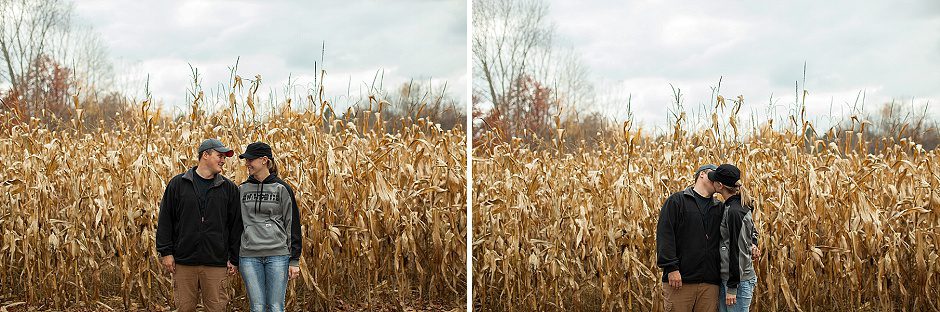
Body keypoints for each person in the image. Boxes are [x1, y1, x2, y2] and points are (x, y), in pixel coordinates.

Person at [156, 138, 241, 312]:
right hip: (184, 262)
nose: (223, 160)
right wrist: (166, 252)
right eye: (220, 156)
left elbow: (235, 226)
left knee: (216, 309)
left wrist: (234, 258)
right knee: (185, 308)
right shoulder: (178, 184)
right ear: (205, 155)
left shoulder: (229, 189)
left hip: (216, 263)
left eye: (224, 157)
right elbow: (166, 219)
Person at [234, 142, 302, 312]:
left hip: (277, 255)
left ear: (264, 160)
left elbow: (292, 224)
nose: (247, 164)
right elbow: (235, 225)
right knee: (257, 307)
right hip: (249, 256)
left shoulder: (282, 188)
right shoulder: (242, 189)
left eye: (250, 160)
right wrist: (233, 257)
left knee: (276, 306)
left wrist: (294, 260)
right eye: (246, 160)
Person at [656, 164, 724, 312]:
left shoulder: (720, 207)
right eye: (713, 175)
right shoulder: (677, 201)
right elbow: (665, 235)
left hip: (710, 283)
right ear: (701, 175)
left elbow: (739, 225)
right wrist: (672, 268)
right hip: (680, 281)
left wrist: (752, 242)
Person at [711, 164, 760, 311]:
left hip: (738, 281)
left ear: (720, 185)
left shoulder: (734, 211)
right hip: (731, 278)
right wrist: (753, 243)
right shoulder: (734, 206)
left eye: (714, 180)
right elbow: (751, 232)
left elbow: (737, 250)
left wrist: (732, 287)